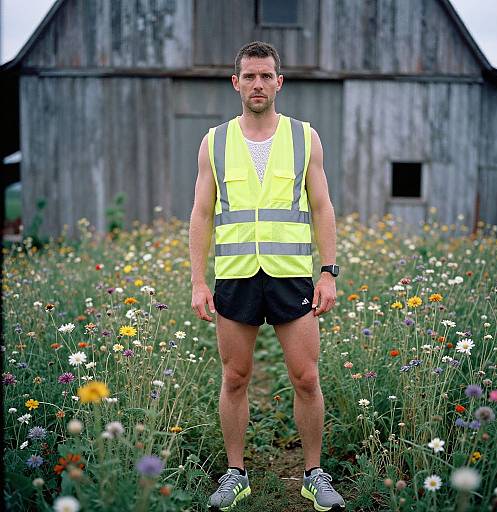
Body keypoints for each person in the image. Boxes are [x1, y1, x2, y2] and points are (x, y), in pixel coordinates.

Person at [189, 41, 345, 512]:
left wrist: (328, 272)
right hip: (235, 277)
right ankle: (236, 475)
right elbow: (200, 214)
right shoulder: (214, 141)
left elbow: (323, 206)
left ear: (280, 81)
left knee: (305, 377)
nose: (258, 84)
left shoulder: (305, 137)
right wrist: (198, 281)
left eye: (266, 76)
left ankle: (314, 475)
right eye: (249, 76)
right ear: (236, 82)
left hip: (291, 277)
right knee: (235, 377)